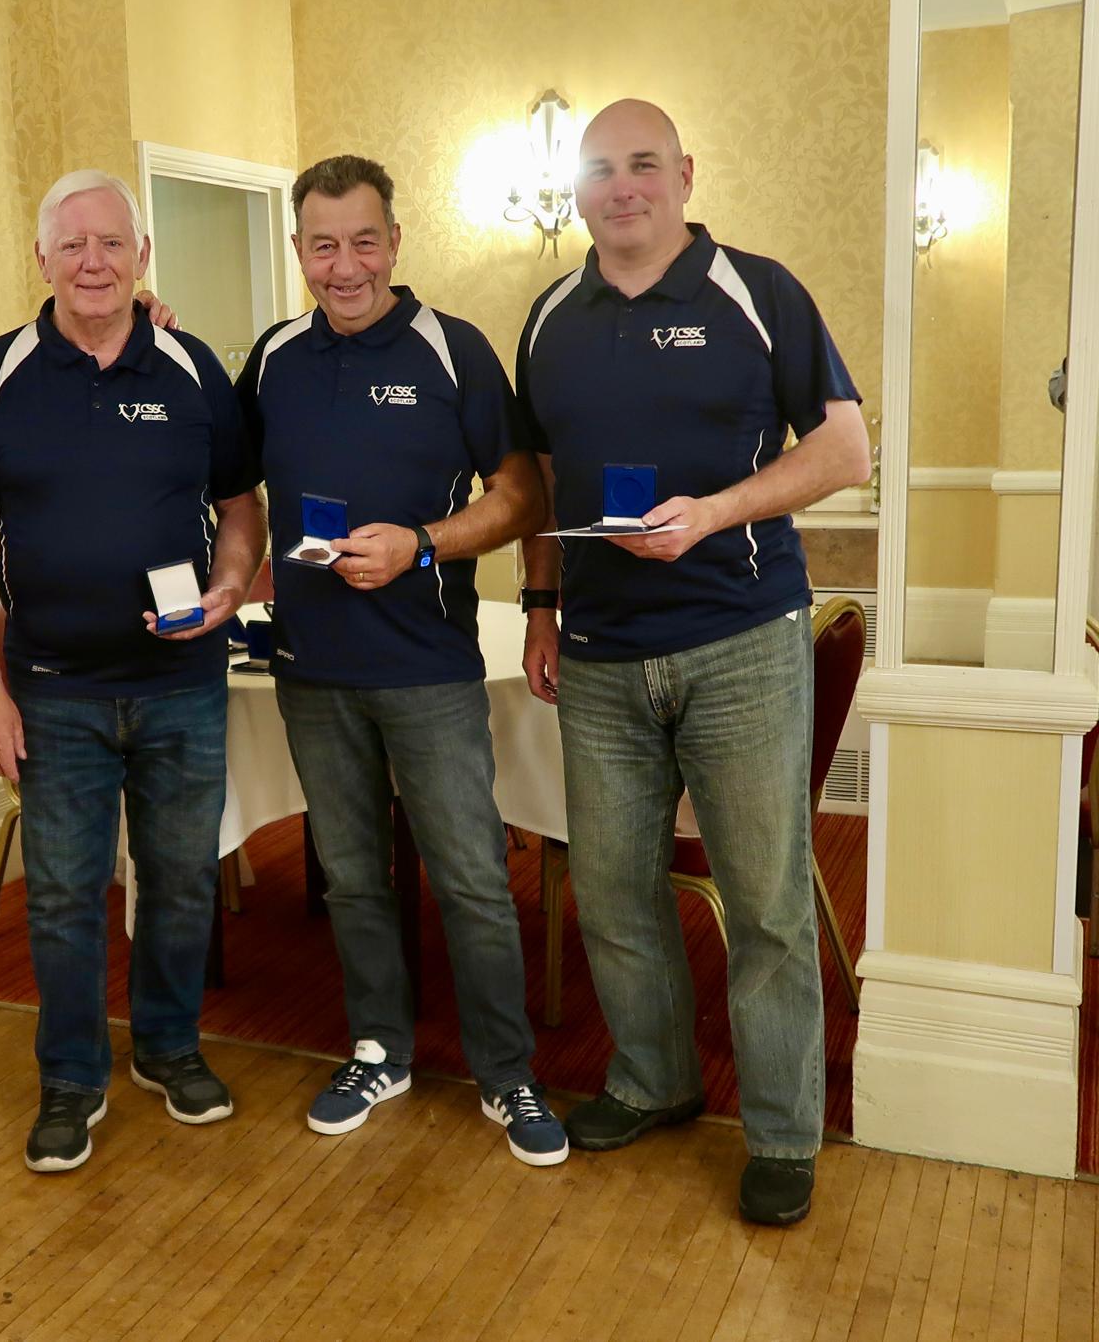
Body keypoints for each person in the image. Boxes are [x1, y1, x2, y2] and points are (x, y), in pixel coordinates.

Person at [517, 100, 871, 1225]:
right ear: (576, 189)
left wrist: (715, 511)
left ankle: (782, 1131)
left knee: (764, 902)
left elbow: (845, 450)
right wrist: (539, 606)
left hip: (739, 642)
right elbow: (539, 480)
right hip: (599, 657)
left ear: (684, 175)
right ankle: (653, 1079)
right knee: (615, 890)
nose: (622, 186)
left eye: (643, 164)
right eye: (600, 168)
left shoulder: (758, 293)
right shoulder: (548, 317)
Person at [237, 154, 567, 1167]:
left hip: (428, 667)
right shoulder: (272, 357)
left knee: (470, 877)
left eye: (364, 241)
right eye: (323, 245)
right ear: (299, 251)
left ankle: (506, 1070)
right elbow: (229, 482)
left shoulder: (451, 350)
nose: (345, 266)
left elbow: (521, 496)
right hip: (309, 667)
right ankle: (378, 1049)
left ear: (395, 241)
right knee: (350, 877)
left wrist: (421, 543)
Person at [0, 169, 265, 1174]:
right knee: (62, 896)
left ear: (142, 257)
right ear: (41, 257)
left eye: (112, 243)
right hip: (51, 689)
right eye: (73, 244)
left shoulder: (191, 367)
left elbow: (242, 507)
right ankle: (71, 1078)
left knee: (179, 881)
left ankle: (168, 1046)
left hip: (182, 684)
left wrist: (228, 584)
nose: (93, 262)